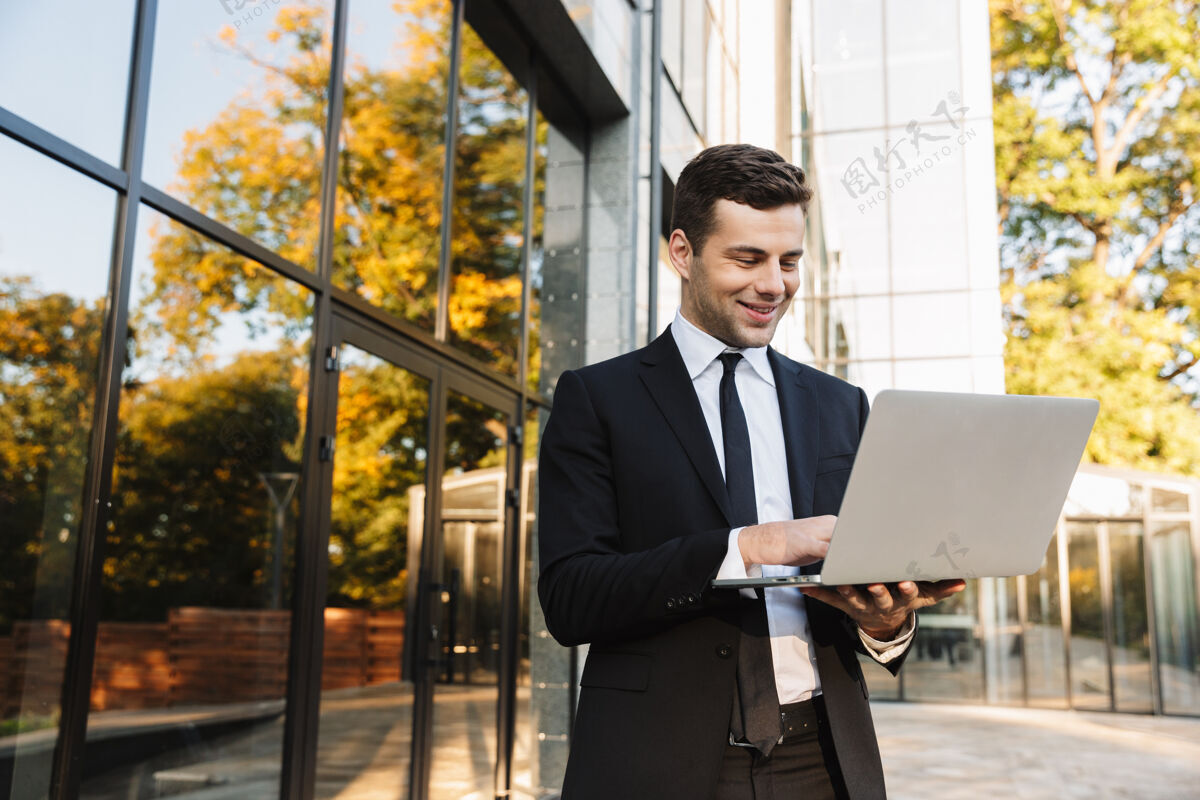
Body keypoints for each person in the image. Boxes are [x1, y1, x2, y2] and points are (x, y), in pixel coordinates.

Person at [537, 143, 964, 800]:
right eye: (747, 259)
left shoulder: (838, 403)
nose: (774, 284)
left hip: (821, 758)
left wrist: (886, 623)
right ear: (682, 252)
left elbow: (860, 580)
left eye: (789, 261)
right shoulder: (598, 399)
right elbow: (571, 598)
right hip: (656, 761)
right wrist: (749, 547)